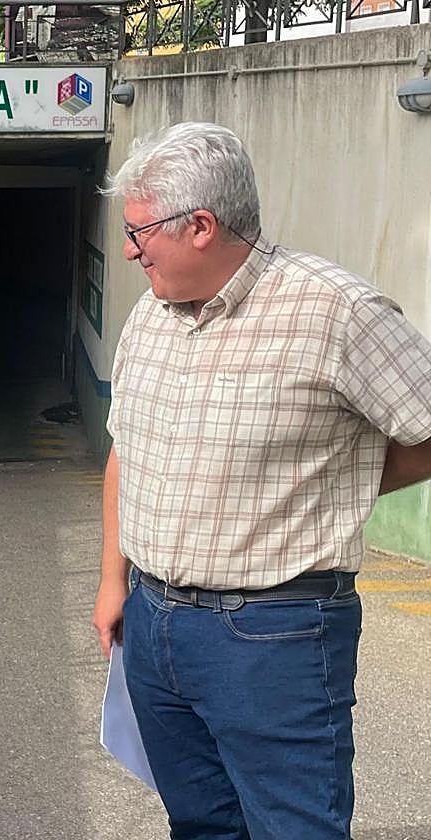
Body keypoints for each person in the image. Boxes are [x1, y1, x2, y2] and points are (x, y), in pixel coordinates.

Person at [91, 121, 431, 840]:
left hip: (275, 634)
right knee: (201, 824)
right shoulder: (148, 316)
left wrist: (344, 480)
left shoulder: (336, 312)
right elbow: (126, 450)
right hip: (153, 626)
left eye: (139, 231)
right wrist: (110, 581)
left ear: (202, 226)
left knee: (293, 829)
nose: (127, 249)